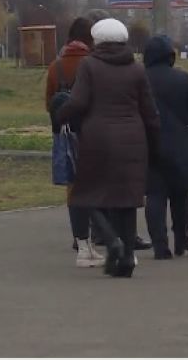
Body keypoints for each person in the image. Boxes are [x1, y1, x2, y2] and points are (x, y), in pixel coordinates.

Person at [57, 19, 161, 278]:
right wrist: (155, 143)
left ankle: (112, 241)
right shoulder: (137, 70)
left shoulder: (89, 66)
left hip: (98, 139)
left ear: (97, 40)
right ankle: (125, 260)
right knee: (126, 200)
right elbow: (150, 112)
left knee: (87, 194)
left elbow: (79, 102)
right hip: (134, 139)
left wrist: (59, 113)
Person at [142, 35, 188, 259]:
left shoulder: (141, 80)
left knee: (155, 195)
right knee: (181, 194)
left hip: (149, 143)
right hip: (181, 145)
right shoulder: (183, 79)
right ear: (170, 56)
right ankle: (181, 238)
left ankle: (160, 246)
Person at [46, 17, 102, 267]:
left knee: (72, 186)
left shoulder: (55, 67)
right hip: (90, 131)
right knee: (93, 184)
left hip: (64, 132)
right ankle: (93, 236)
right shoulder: (93, 64)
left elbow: (48, 102)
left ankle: (79, 239)